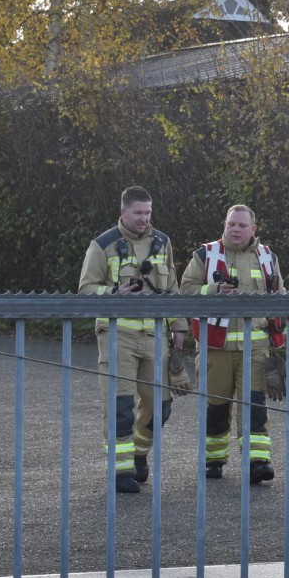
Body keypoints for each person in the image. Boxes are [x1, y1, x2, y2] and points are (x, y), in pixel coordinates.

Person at [179, 204, 289, 484]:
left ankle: (258, 462)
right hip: (215, 349)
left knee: (254, 406)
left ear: (253, 229)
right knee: (216, 407)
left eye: (241, 225)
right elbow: (185, 290)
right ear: (224, 225)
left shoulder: (267, 257)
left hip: (255, 350)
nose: (235, 229)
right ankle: (213, 460)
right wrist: (213, 290)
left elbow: (281, 298)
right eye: (231, 224)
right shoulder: (205, 254)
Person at [78, 186, 187, 495]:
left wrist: (179, 326)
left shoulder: (162, 242)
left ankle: (138, 453)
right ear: (123, 212)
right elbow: (85, 289)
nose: (144, 218)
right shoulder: (103, 245)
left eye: (148, 212)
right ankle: (121, 470)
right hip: (117, 335)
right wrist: (115, 293)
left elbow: (172, 288)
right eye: (138, 213)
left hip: (155, 335)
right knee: (120, 405)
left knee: (161, 406)